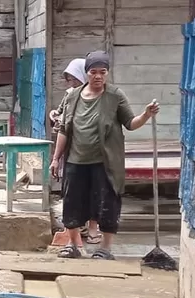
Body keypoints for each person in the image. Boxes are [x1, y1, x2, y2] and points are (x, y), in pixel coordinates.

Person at [50, 50, 160, 260]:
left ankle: (105, 249)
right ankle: (73, 245)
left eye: (103, 72)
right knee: (72, 202)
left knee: (107, 202)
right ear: (87, 72)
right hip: (75, 160)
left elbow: (130, 123)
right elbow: (64, 129)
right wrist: (56, 158)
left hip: (105, 162)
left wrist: (146, 115)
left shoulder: (115, 96)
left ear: (107, 73)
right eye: (93, 71)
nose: (98, 76)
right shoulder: (73, 96)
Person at [49, 58, 101, 244]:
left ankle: (93, 228)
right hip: (72, 151)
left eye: (73, 79)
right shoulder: (70, 95)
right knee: (73, 192)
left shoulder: (96, 96)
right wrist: (55, 115)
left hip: (92, 152)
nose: (71, 83)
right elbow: (62, 117)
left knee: (93, 190)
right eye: (69, 80)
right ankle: (76, 230)